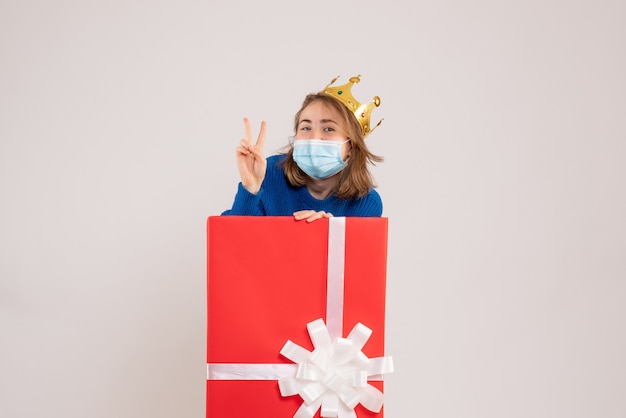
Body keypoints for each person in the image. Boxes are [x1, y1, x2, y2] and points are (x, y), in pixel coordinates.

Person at [222, 75, 384, 222]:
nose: (313, 138)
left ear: (351, 146)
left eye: (328, 129)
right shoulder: (268, 173)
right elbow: (234, 243)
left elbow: (357, 254)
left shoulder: (366, 203)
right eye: (306, 128)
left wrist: (327, 236)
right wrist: (250, 189)